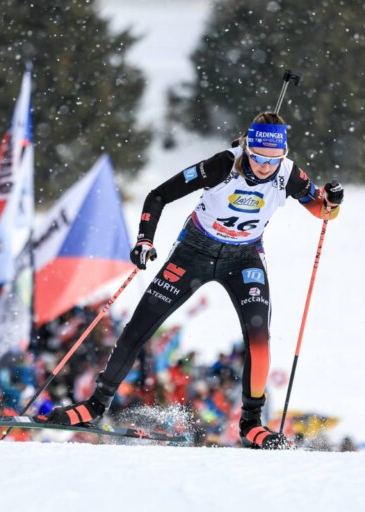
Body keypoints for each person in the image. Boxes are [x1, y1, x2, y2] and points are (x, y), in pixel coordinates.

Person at [41, 111, 344, 449]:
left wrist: (332, 201)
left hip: (244, 258)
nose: (264, 167)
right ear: (247, 148)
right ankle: (95, 407)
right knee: (137, 329)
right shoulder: (222, 166)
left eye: (273, 160)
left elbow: (322, 210)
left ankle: (251, 424)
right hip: (194, 252)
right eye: (258, 157)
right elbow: (158, 195)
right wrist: (144, 240)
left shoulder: (288, 175)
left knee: (259, 340)